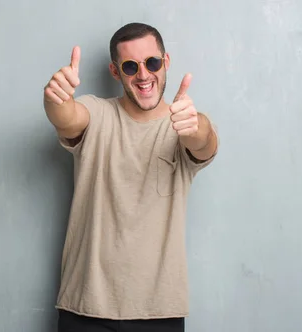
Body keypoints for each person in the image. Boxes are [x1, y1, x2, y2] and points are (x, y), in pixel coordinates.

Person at [43, 22, 219, 332]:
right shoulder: (97, 113)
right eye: (130, 66)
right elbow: (68, 118)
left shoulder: (183, 124)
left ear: (165, 62)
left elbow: (203, 142)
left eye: (152, 62)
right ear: (115, 72)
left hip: (158, 313)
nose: (143, 74)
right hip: (84, 309)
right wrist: (55, 101)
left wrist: (197, 126)